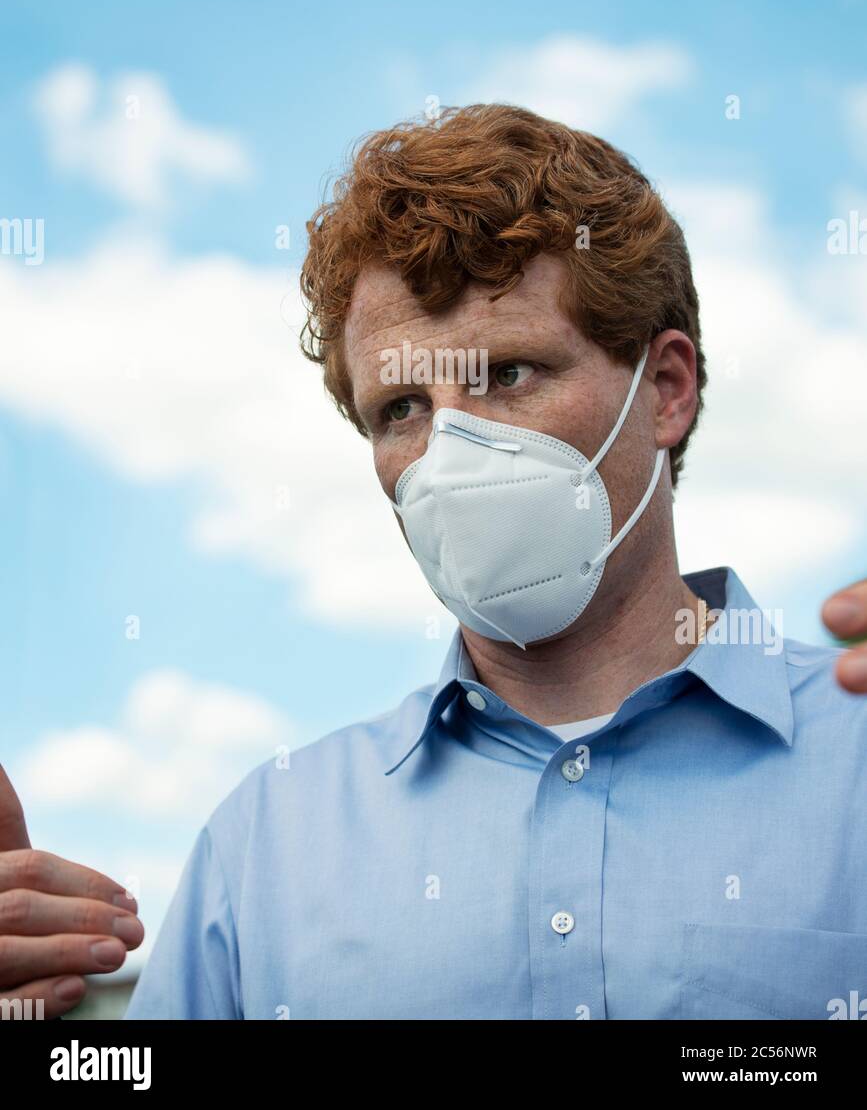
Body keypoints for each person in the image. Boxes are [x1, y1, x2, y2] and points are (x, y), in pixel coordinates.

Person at [2, 104, 865, 1020]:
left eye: (507, 375)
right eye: (402, 408)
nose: (451, 452)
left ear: (664, 390)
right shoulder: (266, 847)